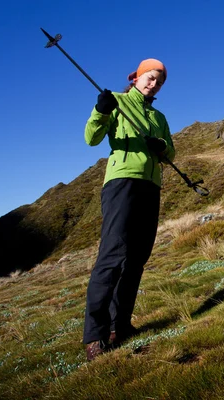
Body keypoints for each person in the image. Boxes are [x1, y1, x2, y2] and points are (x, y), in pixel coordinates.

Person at [82, 59, 175, 361]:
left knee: (137, 258)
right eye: (150, 78)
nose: (154, 84)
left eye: (159, 81)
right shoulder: (118, 102)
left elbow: (169, 152)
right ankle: (95, 335)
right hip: (122, 182)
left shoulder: (159, 116)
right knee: (112, 256)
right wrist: (101, 110)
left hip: (151, 186)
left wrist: (159, 145)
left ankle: (119, 326)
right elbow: (91, 138)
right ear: (136, 77)